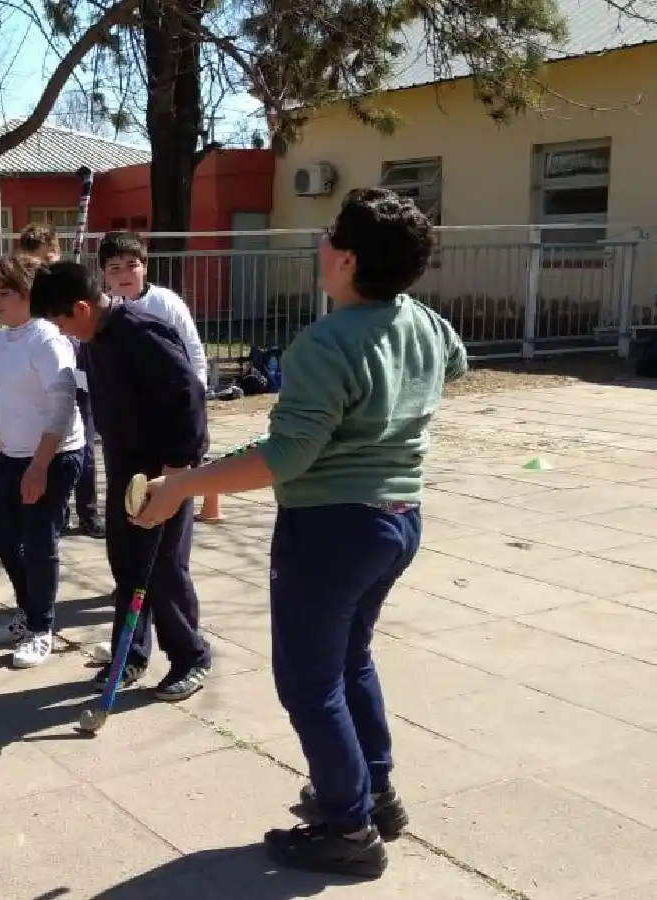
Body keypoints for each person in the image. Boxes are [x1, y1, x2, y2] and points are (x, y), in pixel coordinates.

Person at [129, 188, 469, 879]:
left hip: (332, 532)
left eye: (329, 236)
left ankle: (349, 829)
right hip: (398, 520)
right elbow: (456, 363)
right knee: (349, 660)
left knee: (310, 683)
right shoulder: (424, 322)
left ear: (348, 260)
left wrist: (183, 486)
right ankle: (373, 793)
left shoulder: (325, 343)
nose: (320, 244)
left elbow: (286, 457)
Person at [30, 261, 212, 702]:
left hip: (164, 471)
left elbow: (188, 399)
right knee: (127, 564)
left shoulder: (142, 333)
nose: (62, 331)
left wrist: (176, 473)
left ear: (81, 307)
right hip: (124, 469)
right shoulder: (95, 338)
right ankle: (129, 655)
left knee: (163, 568)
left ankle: (190, 658)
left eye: (61, 321)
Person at [0, 255, 84, 667]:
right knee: (0, 537)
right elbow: (1, 392)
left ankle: (41, 628)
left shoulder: (48, 339)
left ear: (29, 294)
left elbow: (63, 405)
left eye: (5, 293)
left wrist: (40, 466)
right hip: (11, 453)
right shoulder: (2, 340)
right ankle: (29, 608)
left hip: (53, 456)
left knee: (39, 543)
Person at [97, 231, 222, 523]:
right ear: (104, 274)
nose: (124, 275)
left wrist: (196, 400)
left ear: (145, 266)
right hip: (127, 426)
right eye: (115, 268)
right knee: (131, 498)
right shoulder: (104, 312)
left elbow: (194, 353)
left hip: (169, 416)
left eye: (132, 265)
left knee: (172, 496)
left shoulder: (166, 303)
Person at [18, 221, 104, 538]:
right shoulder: (31, 295)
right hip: (48, 379)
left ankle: (88, 512)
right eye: (32, 261)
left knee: (84, 447)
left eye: (43, 259)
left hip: (78, 375)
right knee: (53, 444)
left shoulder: (71, 286)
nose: (38, 268)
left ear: (55, 252)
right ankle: (60, 511)